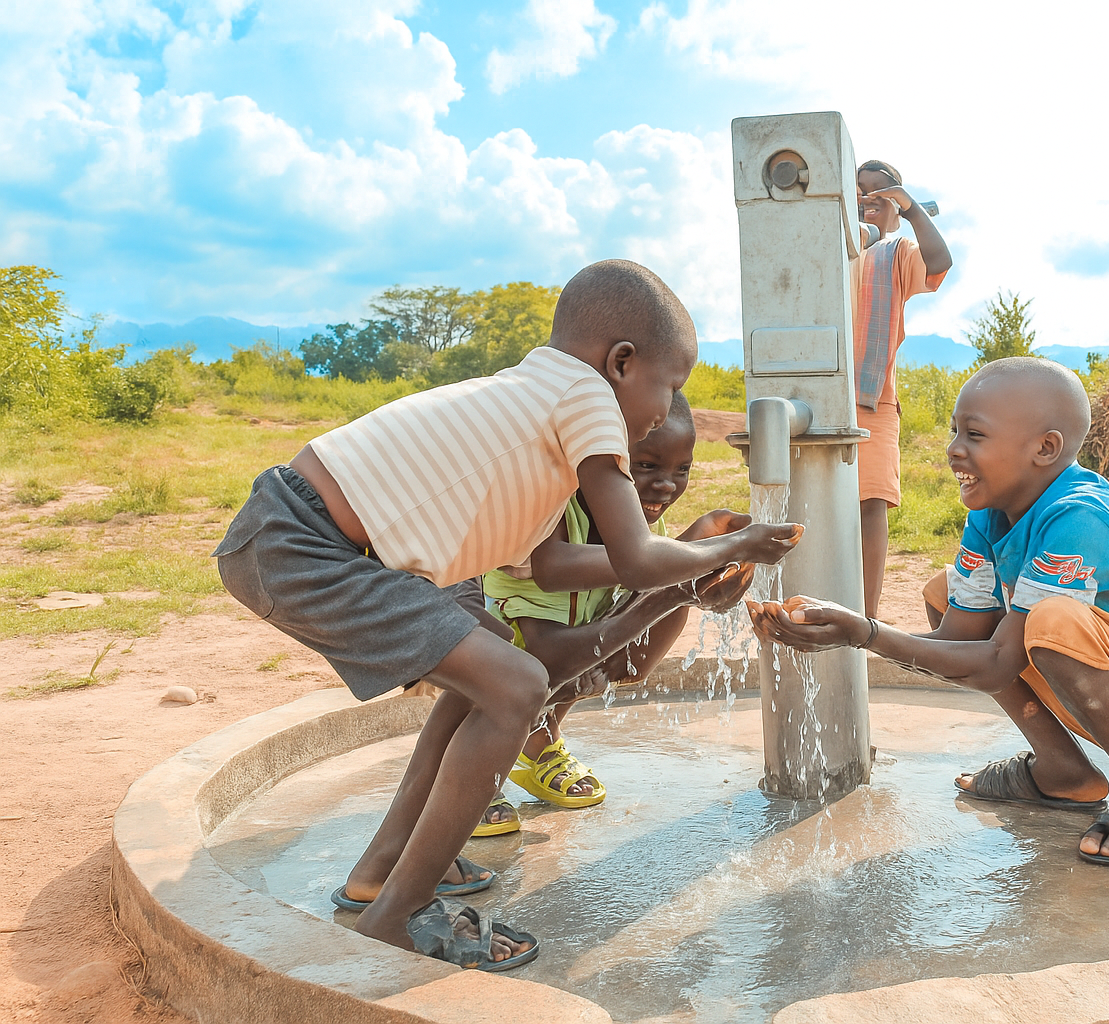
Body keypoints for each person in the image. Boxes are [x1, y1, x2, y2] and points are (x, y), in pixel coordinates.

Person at [214, 260, 801, 971]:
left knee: (492, 666)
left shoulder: (540, 399)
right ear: (621, 364)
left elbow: (554, 565)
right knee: (514, 685)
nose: (665, 408)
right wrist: (738, 543)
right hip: (310, 543)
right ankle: (397, 916)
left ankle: (383, 870)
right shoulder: (585, 397)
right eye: (669, 386)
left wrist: (687, 572)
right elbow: (638, 558)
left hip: (311, 536)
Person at [747, 357, 1109, 867]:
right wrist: (849, 629)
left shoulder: (1080, 517)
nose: (953, 449)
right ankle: (1063, 773)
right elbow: (953, 641)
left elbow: (995, 663)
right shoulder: (990, 514)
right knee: (946, 594)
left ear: (1045, 448)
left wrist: (865, 632)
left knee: (1052, 622)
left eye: (975, 434)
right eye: (954, 431)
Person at [462, 392, 755, 832]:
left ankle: (539, 744)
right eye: (646, 466)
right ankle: (472, 771)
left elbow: (635, 659)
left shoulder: (642, 523)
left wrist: (699, 551)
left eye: (682, 469)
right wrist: (683, 565)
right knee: (517, 683)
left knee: (609, 648)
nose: (666, 485)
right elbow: (547, 649)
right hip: (496, 649)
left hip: (562, 646)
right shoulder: (552, 514)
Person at [852, 158, 952, 619]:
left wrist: (910, 210)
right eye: (859, 190)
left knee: (871, 504)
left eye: (882, 192)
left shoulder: (896, 255)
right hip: (813, 393)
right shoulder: (827, 246)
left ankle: (866, 616)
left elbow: (940, 262)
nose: (870, 198)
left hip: (871, 398)